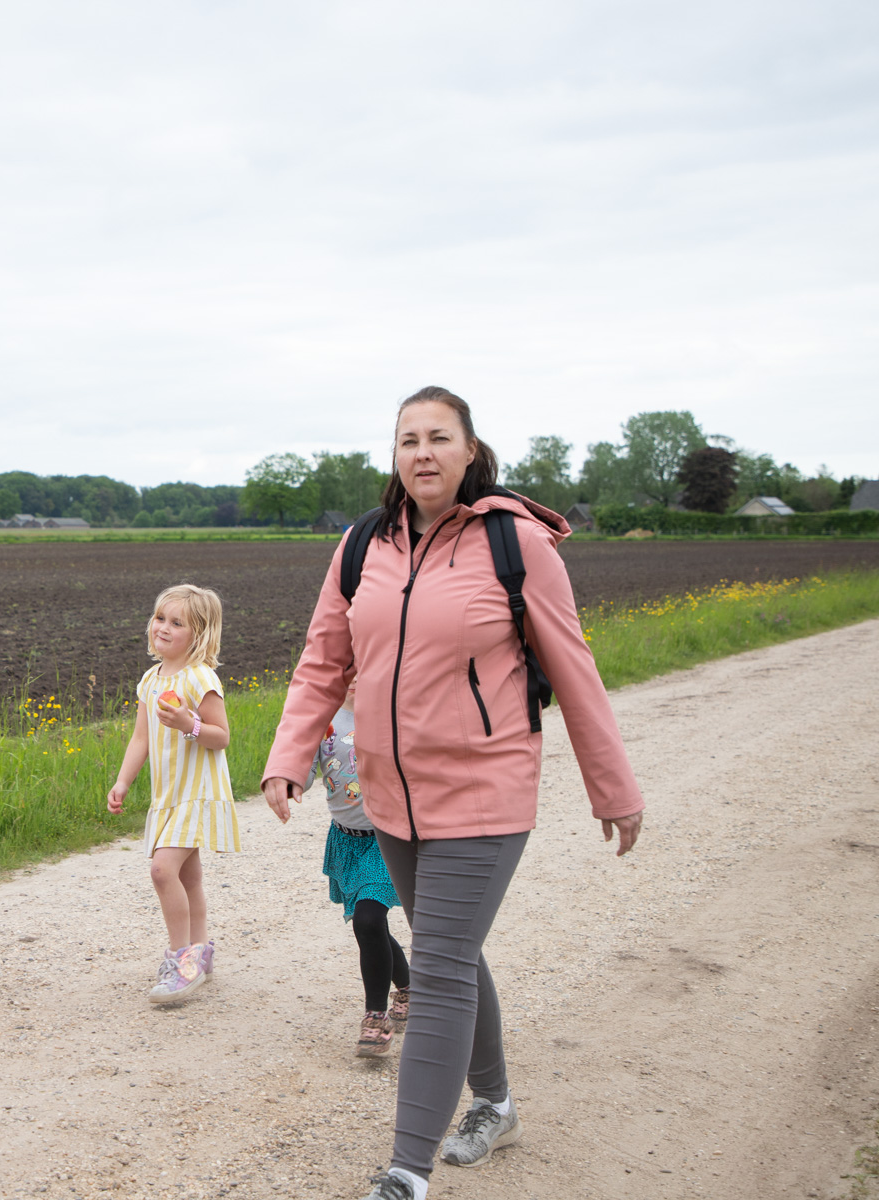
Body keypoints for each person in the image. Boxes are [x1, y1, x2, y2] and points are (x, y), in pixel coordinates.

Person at [260, 386, 645, 1200]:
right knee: (450, 949)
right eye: (408, 439)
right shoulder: (362, 545)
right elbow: (324, 660)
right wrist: (289, 754)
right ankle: (495, 1104)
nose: (423, 452)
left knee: (436, 965)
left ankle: (406, 1171)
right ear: (395, 456)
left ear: (471, 451)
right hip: (390, 795)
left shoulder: (516, 543)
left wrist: (612, 786)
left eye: (439, 437)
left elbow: (573, 667)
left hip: (485, 787)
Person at [107, 584, 239, 1004]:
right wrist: (123, 781)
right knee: (187, 877)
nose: (163, 627)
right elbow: (141, 738)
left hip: (198, 792)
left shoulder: (200, 677)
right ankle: (199, 951)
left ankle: (181, 961)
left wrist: (189, 724)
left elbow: (221, 736)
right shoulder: (151, 680)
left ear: (198, 634)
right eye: (160, 618)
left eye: (177, 623)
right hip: (167, 795)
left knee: (163, 871)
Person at [307, 682, 410, 1058]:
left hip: (388, 839)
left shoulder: (393, 709)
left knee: (368, 920)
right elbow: (304, 772)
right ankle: (409, 988)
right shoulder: (324, 717)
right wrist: (285, 779)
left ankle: (376, 1018)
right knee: (371, 926)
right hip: (346, 839)